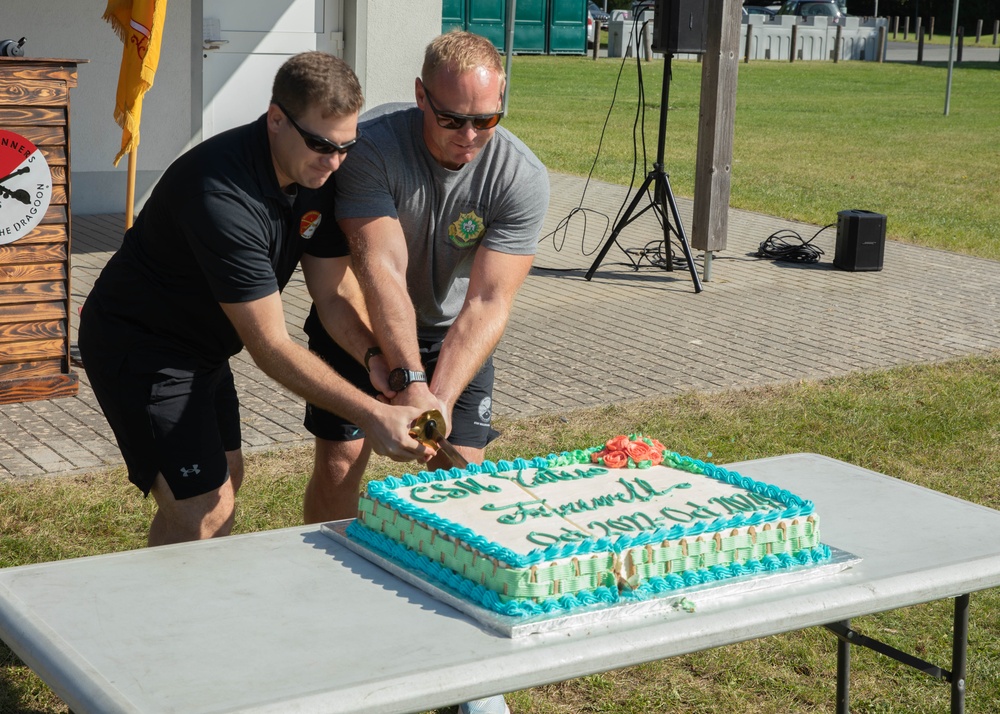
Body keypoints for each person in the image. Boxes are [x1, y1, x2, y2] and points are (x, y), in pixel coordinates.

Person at [79, 52, 432, 548]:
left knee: (223, 476)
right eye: (320, 145)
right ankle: (162, 623)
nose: (333, 163)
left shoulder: (316, 176)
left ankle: (166, 600)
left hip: (201, 348)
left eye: (346, 148)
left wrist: (381, 363)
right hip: (139, 345)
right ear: (275, 119)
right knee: (204, 507)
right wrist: (372, 414)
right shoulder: (220, 195)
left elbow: (333, 292)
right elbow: (270, 345)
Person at [301, 31, 550, 526]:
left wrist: (437, 400)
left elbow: (487, 302)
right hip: (364, 323)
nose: (470, 135)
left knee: (457, 480)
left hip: (454, 331)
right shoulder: (370, 149)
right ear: (421, 96)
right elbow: (381, 269)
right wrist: (408, 379)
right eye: (452, 118)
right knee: (341, 464)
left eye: (487, 120)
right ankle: (323, 576)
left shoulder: (521, 176)